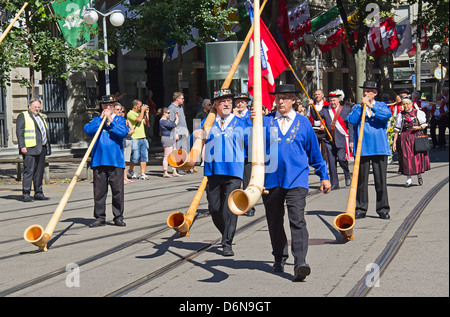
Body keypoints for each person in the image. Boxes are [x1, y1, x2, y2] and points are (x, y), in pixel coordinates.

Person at [255, 84, 331, 282]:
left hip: (297, 179)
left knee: (297, 219)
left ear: (294, 100)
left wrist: (323, 175)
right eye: (278, 97)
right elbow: (248, 145)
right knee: (274, 220)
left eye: (285, 97)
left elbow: (314, 151)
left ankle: (300, 263)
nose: (281, 101)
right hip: (271, 180)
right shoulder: (264, 122)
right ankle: (279, 257)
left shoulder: (304, 123)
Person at [193, 88, 249, 257]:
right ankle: (227, 231)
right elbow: (194, 142)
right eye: (223, 101)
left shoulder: (241, 122)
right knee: (215, 208)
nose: (226, 104)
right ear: (215, 105)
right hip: (213, 170)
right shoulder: (207, 122)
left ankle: (227, 242)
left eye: (229, 101)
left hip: (234, 171)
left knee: (230, 208)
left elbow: (251, 143)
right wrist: (195, 134)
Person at [346, 81, 392, 220]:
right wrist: (361, 107)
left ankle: (383, 208)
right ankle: (361, 208)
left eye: (369, 91)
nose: (366, 94)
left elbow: (386, 115)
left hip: (379, 148)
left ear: (375, 93)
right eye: (364, 91)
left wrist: (371, 106)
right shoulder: (357, 107)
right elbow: (352, 120)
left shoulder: (381, 105)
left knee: (380, 181)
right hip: (363, 149)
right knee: (361, 181)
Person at [84, 95, 128, 227]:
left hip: (115, 161)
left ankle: (118, 216)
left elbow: (123, 133)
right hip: (99, 160)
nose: (107, 107)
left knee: (117, 191)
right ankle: (99, 217)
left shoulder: (120, 120)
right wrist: (101, 120)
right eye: (104, 105)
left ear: (114, 107)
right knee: (99, 191)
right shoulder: (96, 119)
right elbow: (89, 130)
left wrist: (110, 120)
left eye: (110, 105)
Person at [16, 99, 52, 202]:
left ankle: (38, 193)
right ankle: (26, 194)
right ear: (29, 106)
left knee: (39, 172)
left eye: (38, 107)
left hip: (41, 148)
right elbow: (20, 132)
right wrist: (22, 146)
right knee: (29, 171)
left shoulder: (40, 117)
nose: (37, 108)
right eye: (35, 106)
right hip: (29, 148)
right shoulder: (23, 116)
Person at [318, 90, 353, 190]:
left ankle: (347, 174)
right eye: (331, 101)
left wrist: (351, 140)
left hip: (341, 138)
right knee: (332, 162)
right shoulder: (325, 109)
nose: (332, 103)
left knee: (342, 159)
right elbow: (317, 116)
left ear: (338, 100)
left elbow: (350, 126)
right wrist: (312, 106)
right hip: (329, 139)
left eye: (334, 100)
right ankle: (335, 183)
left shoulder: (346, 109)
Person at [392, 96, 430, 187]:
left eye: (407, 104)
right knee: (406, 158)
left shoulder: (418, 113)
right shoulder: (400, 115)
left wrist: (419, 127)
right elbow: (397, 130)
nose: (406, 106)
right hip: (405, 138)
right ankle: (408, 179)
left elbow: (424, 124)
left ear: (411, 104)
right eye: (404, 104)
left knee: (416, 157)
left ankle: (419, 174)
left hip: (416, 137)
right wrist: (394, 143)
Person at [233, 93, 254, 216]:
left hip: (247, 152)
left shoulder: (250, 115)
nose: (239, 104)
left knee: (247, 181)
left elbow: (249, 130)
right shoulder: (231, 115)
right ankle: (235, 203)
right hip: (234, 153)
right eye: (237, 101)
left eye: (242, 101)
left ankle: (249, 206)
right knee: (235, 181)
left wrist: (238, 119)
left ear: (247, 103)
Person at [127, 99, 150, 180]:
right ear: (135, 106)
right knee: (135, 157)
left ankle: (143, 173)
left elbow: (146, 123)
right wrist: (143, 112)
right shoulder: (130, 114)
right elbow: (139, 120)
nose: (141, 107)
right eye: (140, 106)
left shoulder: (140, 113)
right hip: (135, 138)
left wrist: (146, 113)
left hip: (143, 137)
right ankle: (130, 170)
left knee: (144, 156)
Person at [169, 92, 189, 174]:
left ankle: (184, 167)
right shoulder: (171, 108)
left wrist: (186, 130)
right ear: (177, 99)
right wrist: (175, 133)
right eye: (182, 98)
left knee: (184, 150)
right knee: (178, 151)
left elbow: (183, 120)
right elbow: (171, 122)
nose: (183, 100)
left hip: (183, 131)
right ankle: (179, 168)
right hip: (177, 132)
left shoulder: (180, 107)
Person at [114, 103, 134, 184]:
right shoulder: (114, 120)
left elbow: (132, 130)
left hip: (125, 142)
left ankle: (125, 178)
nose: (121, 112)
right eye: (118, 110)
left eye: (122, 111)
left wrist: (125, 132)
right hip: (119, 142)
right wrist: (125, 132)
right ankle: (121, 179)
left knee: (124, 162)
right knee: (119, 162)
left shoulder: (125, 120)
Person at [307, 89, 329, 162]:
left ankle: (324, 166)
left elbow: (329, 117)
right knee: (314, 148)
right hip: (314, 129)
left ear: (322, 95)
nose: (317, 96)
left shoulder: (327, 105)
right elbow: (308, 116)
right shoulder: (312, 105)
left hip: (323, 130)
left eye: (318, 94)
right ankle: (316, 163)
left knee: (324, 150)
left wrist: (325, 124)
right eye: (316, 94)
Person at [159, 107, 181, 177]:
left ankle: (174, 170)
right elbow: (173, 125)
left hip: (171, 138)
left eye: (169, 113)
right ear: (164, 113)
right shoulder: (162, 121)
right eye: (168, 113)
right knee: (167, 156)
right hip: (166, 138)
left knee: (173, 155)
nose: (169, 114)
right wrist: (177, 118)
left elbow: (173, 125)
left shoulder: (167, 120)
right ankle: (165, 172)